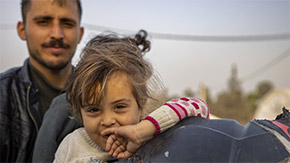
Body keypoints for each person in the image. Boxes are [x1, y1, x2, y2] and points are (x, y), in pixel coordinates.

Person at [53, 30, 210, 163]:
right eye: (93, 109)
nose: (107, 121)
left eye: (119, 107)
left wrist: (146, 129)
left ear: (141, 105)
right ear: (79, 111)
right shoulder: (71, 146)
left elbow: (200, 108)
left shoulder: (152, 136)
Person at [0, 0, 84, 162]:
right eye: (43, 22)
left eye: (67, 24)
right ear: (22, 30)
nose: (57, 34)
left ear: (80, 33)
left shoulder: (104, 96)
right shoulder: (3, 97)